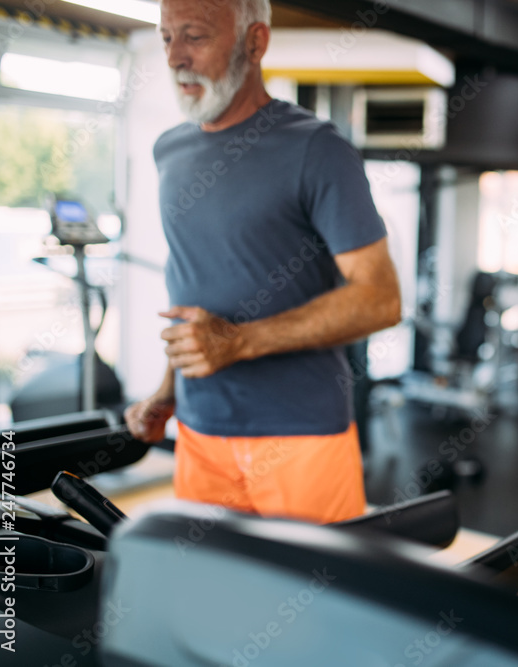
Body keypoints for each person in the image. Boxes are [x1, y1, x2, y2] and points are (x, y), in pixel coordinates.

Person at [124, 0, 401, 525]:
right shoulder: (170, 152)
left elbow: (381, 299)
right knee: (215, 603)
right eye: (165, 38)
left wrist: (239, 342)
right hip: (201, 432)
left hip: (301, 438)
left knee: (317, 602)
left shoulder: (318, 150)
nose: (175, 57)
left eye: (194, 36)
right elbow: (193, 295)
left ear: (255, 42)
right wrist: (167, 393)